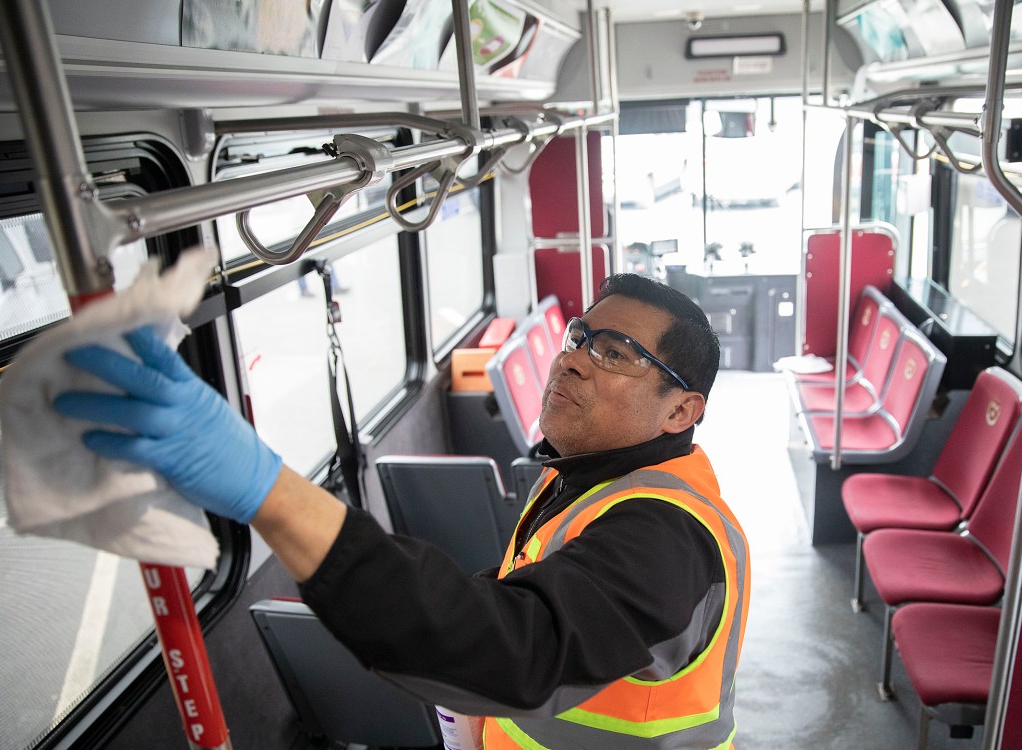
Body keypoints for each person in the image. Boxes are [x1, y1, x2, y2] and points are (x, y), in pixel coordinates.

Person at [53, 273, 750, 749]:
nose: (573, 360)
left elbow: (525, 649)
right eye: (578, 337)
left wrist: (270, 492)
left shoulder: (670, 538)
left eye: (615, 353)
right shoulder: (585, 480)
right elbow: (528, 589)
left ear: (681, 410)